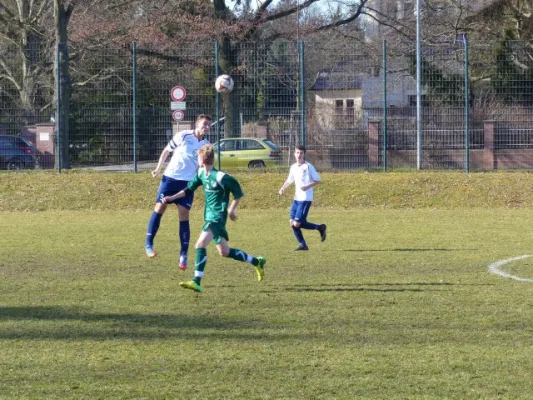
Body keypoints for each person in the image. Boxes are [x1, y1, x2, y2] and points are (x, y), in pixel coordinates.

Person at [162, 144, 266, 293]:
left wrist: (231, 209)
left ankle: (196, 281)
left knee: (200, 244)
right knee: (224, 251)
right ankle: (257, 262)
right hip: (209, 216)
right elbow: (188, 189)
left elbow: (238, 192)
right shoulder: (201, 174)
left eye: (198, 157)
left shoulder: (220, 177)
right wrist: (172, 198)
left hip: (217, 217)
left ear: (202, 159)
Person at [145, 114, 212, 270]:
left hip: (187, 183)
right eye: (204, 124)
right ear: (197, 124)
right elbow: (166, 151)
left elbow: (204, 166)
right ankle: (149, 244)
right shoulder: (183, 135)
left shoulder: (207, 145)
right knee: (160, 208)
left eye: (208, 125)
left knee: (183, 215)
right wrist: (158, 168)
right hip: (170, 178)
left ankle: (183, 255)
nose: (206, 127)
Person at [278, 145, 327, 250]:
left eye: (301, 153)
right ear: (294, 154)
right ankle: (304, 244)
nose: (299, 155)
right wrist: (282, 189)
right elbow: (289, 180)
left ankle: (319, 228)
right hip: (296, 198)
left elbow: (317, 180)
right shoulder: (293, 167)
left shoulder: (308, 166)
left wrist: (307, 186)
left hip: (305, 198)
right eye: (297, 153)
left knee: (297, 223)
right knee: (292, 223)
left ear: (304, 154)